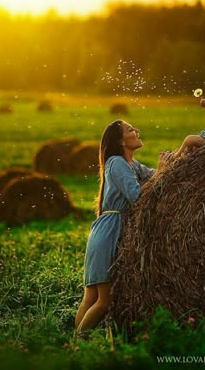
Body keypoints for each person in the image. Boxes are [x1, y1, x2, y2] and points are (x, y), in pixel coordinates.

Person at [74, 120, 170, 333]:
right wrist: (162, 172)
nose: (136, 131)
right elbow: (137, 196)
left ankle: (74, 343)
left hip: (104, 230)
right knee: (103, 302)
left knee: (91, 298)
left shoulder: (131, 165)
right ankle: (77, 345)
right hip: (109, 231)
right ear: (120, 140)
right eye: (130, 130)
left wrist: (176, 161)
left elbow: (157, 177)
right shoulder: (116, 162)